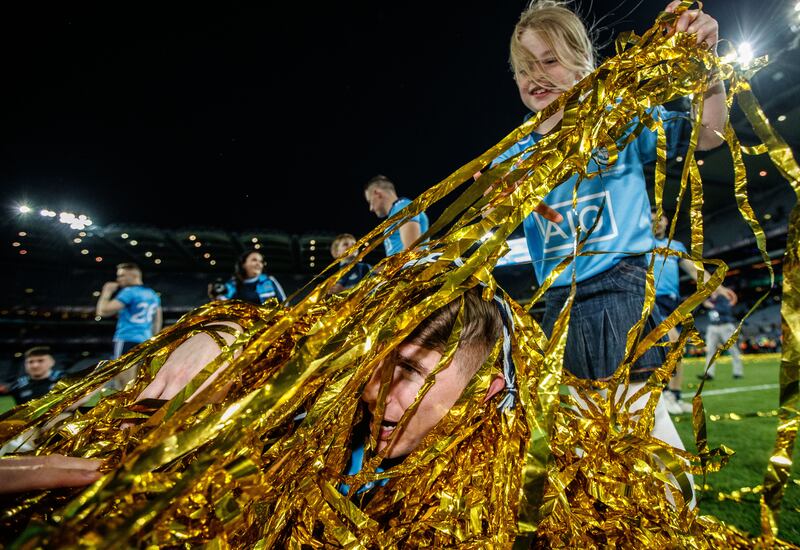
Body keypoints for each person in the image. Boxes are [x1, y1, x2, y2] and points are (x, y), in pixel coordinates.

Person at [650, 209, 737, 413]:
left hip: (673, 302)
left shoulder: (676, 247)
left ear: (667, 222)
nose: (657, 224)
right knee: (671, 342)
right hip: (651, 301)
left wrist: (719, 288)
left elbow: (695, 270)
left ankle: (675, 396)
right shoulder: (642, 243)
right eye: (652, 220)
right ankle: (664, 394)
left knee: (677, 347)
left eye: (660, 220)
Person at [95, 263, 162, 388]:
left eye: (122, 275)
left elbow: (103, 311)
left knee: (123, 380)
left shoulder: (129, 292)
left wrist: (106, 292)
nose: (118, 279)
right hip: (145, 339)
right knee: (137, 379)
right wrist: (153, 338)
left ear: (133, 275)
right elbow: (157, 319)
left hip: (127, 338)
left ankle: (126, 407)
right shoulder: (152, 294)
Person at [364, 174, 430, 257]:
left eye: (370, 201)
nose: (371, 208)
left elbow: (413, 253)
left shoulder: (402, 207)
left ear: (377, 193)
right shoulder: (397, 211)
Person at [209, 250, 286, 305]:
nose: (259, 264)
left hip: (268, 323)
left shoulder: (269, 280)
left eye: (261, 261)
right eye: (254, 260)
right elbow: (223, 302)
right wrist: (214, 297)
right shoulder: (233, 283)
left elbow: (285, 303)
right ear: (243, 264)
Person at [701, 291, 743, 380]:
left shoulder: (722, 298)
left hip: (725, 326)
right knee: (710, 351)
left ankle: (738, 372)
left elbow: (726, 310)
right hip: (713, 326)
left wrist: (712, 306)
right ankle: (708, 373)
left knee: (733, 349)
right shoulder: (709, 300)